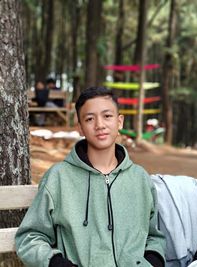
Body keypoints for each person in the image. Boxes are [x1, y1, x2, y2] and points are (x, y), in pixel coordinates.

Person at [15, 86, 165, 267]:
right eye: (89, 119)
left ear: (120, 122)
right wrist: (59, 264)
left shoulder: (140, 178)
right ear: (80, 128)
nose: (99, 125)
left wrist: (153, 262)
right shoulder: (58, 178)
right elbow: (29, 237)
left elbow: (154, 236)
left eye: (107, 116)